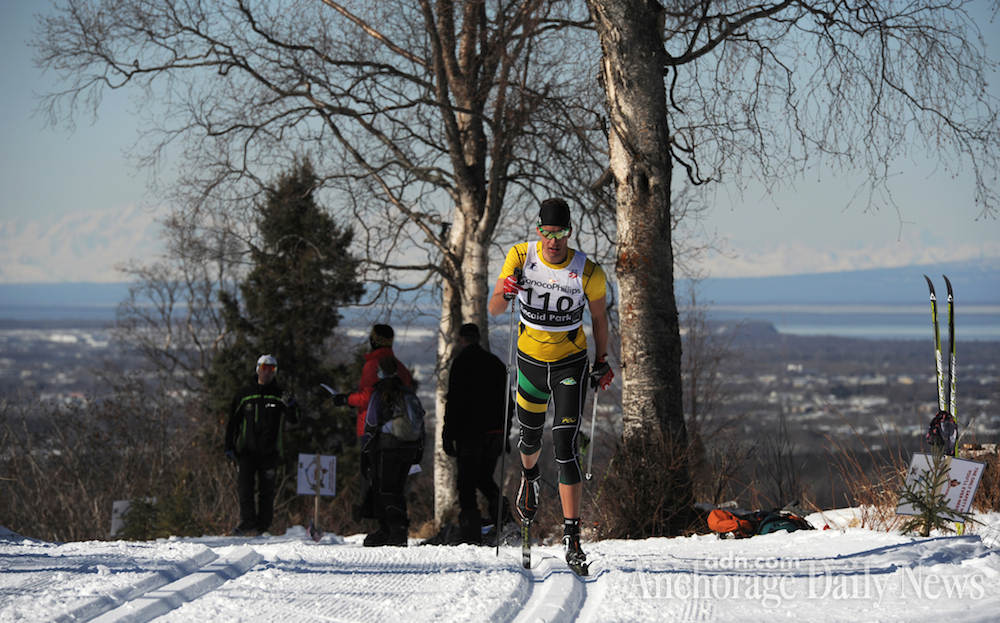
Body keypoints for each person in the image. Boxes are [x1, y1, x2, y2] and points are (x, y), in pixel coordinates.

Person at [488, 197, 614, 569]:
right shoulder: (520, 256)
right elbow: (494, 308)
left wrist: (602, 360)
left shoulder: (588, 272)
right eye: (546, 232)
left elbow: (600, 321)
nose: (552, 240)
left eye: (559, 232)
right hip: (529, 363)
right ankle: (530, 476)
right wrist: (507, 290)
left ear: (569, 232)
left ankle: (572, 536)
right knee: (529, 438)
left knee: (565, 445)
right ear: (538, 231)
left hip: (569, 364)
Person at [442, 323, 514, 545]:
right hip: (495, 433)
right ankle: (504, 521)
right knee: (485, 478)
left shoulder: (461, 363)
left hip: (470, 434)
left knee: (466, 482)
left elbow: (454, 402)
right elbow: (508, 403)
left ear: (461, 339)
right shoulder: (496, 364)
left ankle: (471, 535)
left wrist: (448, 434)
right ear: (479, 338)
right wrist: (506, 433)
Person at [224, 354, 301, 537]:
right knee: (245, 488)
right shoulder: (244, 395)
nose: (267, 372)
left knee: (267, 491)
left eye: (271, 369)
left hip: (270, 452)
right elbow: (233, 422)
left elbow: (295, 419)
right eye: (264, 368)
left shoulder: (279, 396)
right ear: (257, 368)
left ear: (275, 372)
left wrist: (291, 405)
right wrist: (229, 446)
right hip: (247, 452)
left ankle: (263, 526)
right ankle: (247, 522)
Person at [361, 357, 424, 546]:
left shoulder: (380, 394)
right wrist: (419, 449)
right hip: (410, 449)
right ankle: (396, 529)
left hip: (388, 448)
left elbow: (371, 424)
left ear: (379, 373)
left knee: (385, 489)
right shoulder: (407, 393)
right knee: (397, 489)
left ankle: (394, 531)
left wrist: (366, 451)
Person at [332, 324, 413, 441]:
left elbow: (368, 399)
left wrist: (346, 399)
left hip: (372, 430)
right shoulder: (402, 368)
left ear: (374, 341)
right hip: (399, 431)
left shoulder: (372, 365)